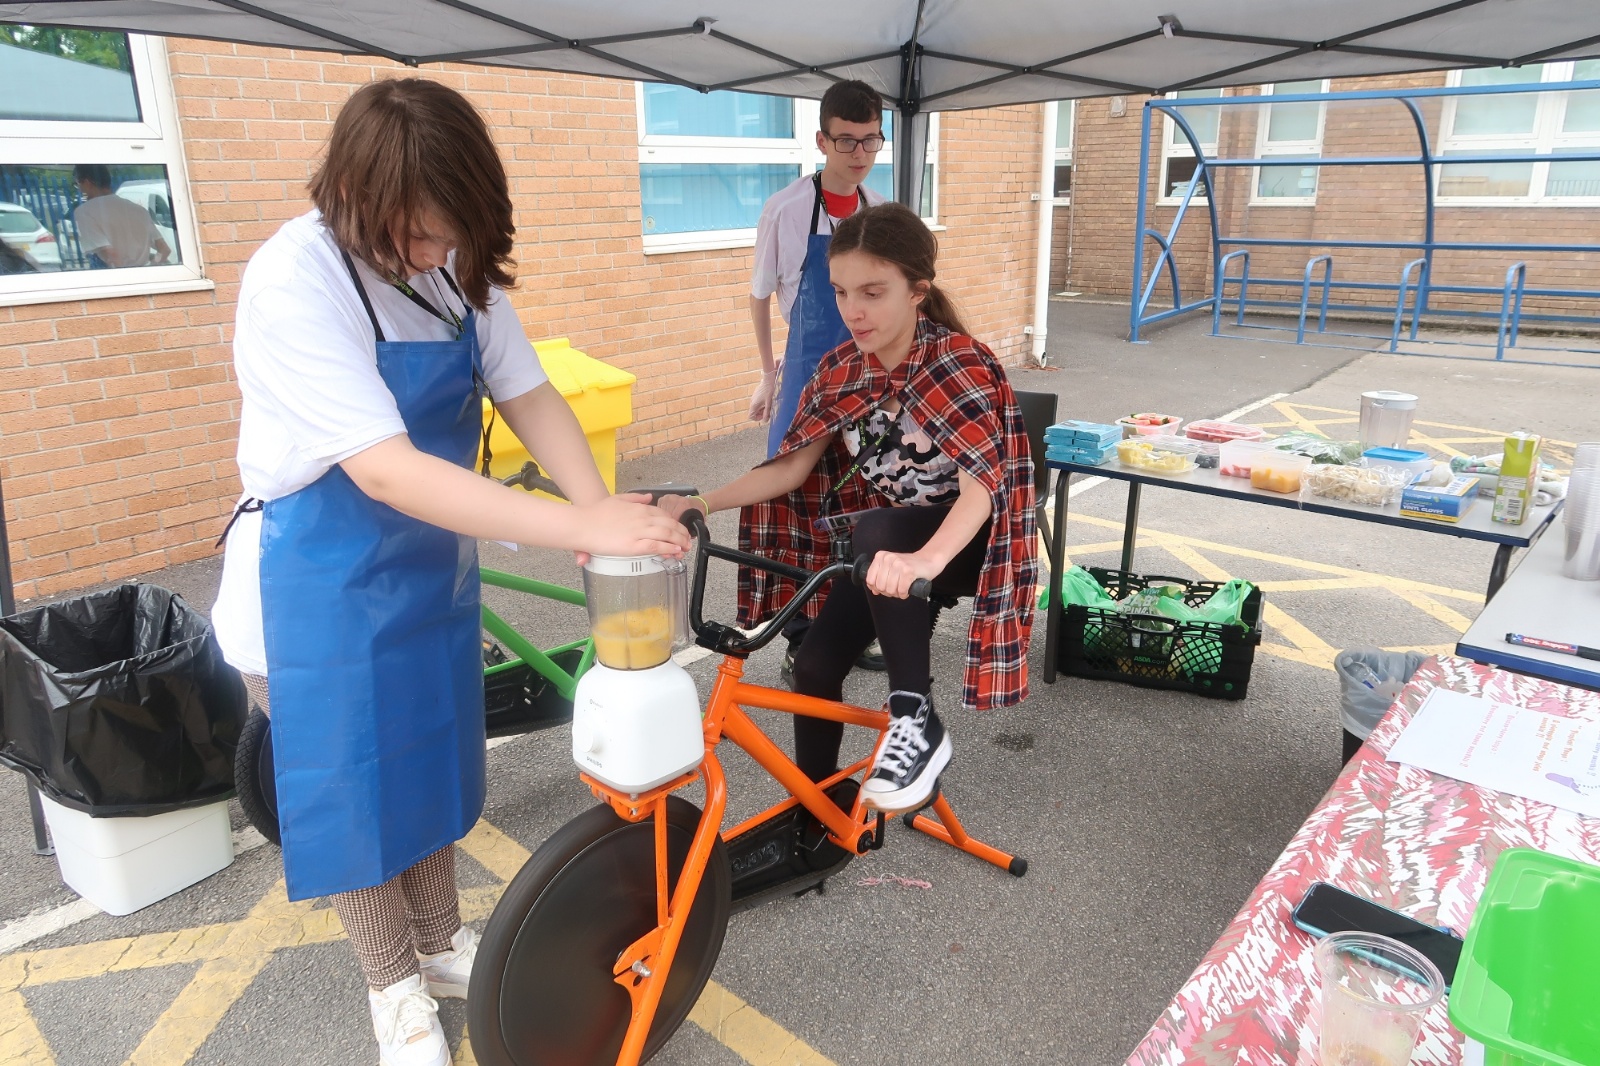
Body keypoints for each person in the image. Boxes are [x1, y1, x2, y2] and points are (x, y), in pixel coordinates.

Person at [210, 78, 689, 1066]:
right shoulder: (295, 280)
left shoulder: (451, 267)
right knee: (354, 791)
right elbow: (385, 470)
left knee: (425, 763)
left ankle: (439, 945)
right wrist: (575, 525)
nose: (437, 255)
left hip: (424, 568)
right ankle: (392, 987)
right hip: (311, 590)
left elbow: (528, 392)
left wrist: (597, 510)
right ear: (356, 195)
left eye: (451, 235)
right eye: (419, 235)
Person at [663, 202, 1036, 812]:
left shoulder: (959, 362)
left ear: (918, 291)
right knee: (813, 666)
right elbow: (790, 469)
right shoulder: (841, 370)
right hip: (891, 554)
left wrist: (926, 560)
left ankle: (915, 719)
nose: (852, 310)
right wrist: (700, 502)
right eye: (840, 292)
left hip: (973, 544)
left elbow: (983, 485)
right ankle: (820, 814)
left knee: (879, 526)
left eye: (872, 292)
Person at [748, 79, 890, 678]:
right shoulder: (785, 210)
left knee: (866, 500)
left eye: (871, 140)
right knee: (797, 509)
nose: (859, 153)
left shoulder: (879, 211)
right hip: (806, 377)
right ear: (821, 140)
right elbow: (759, 296)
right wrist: (769, 375)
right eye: (846, 141)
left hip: (867, 376)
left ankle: (857, 626)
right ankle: (801, 638)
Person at [71, 164, 171, 268]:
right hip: (142, 274)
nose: (79, 189)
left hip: (116, 276)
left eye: (78, 184)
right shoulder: (139, 210)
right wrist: (152, 265)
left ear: (86, 182)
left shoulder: (84, 212)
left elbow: (112, 257)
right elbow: (164, 250)